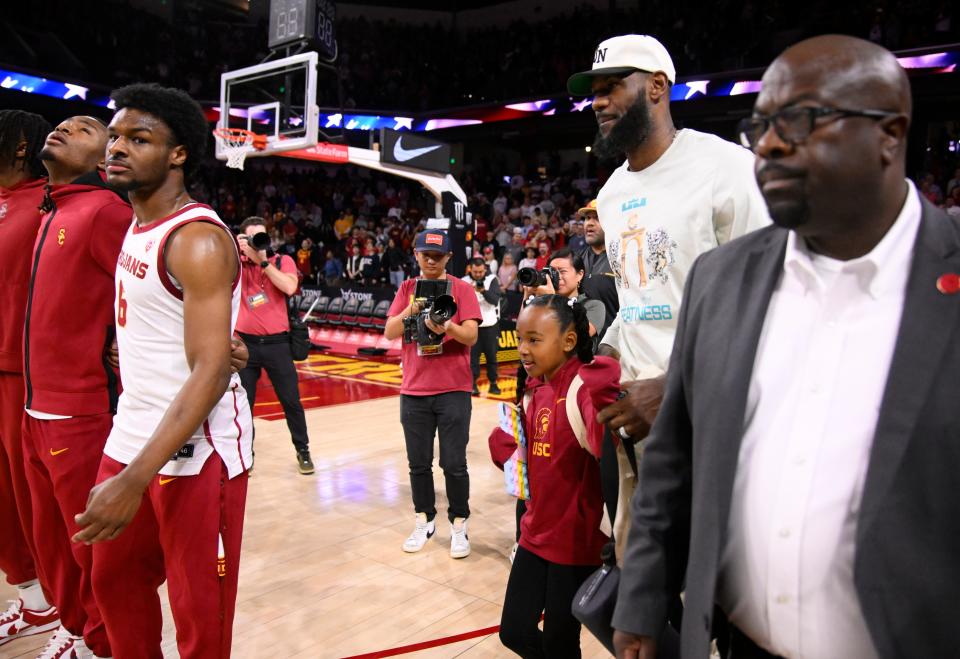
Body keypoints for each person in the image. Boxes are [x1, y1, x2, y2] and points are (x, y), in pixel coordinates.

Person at [612, 35, 960, 659]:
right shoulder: (719, 278)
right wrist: (641, 599)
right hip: (744, 640)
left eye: (798, 121)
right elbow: (672, 458)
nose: (768, 144)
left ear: (891, 133)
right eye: (761, 124)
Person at [566, 34, 769, 559]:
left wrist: (676, 389)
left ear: (658, 87)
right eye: (594, 92)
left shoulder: (727, 170)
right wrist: (609, 349)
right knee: (645, 597)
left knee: (716, 599)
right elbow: (642, 294)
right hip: (634, 427)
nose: (599, 102)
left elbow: (767, 306)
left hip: (711, 424)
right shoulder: (610, 195)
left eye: (613, 87)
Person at [75, 82, 253, 658]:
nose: (116, 148)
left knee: (200, 619)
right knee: (113, 582)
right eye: (116, 136)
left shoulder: (196, 238)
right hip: (134, 429)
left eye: (139, 138)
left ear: (178, 154)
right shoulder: (136, 219)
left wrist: (133, 480)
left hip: (198, 451)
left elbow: (207, 373)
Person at [20, 114, 132, 659]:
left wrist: (120, 348)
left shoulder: (106, 210)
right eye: (62, 124)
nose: (63, 129)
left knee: (93, 550)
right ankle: (77, 629)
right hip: (34, 408)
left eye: (83, 128)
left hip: (81, 410)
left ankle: (102, 643)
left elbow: (152, 294)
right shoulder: (55, 210)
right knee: (51, 545)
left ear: (106, 157)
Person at [494, 295, 620, 658]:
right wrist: (509, 444)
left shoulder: (580, 387)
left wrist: (603, 394)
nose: (523, 349)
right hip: (534, 533)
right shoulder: (536, 388)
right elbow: (528, 448)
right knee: (514, 632)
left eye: (534, 339)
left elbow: (603, 442)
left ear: (568, 341)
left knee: (560, 643)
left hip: (574, 544)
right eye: (519, 339)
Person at [383, 230, 481, 558]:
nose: (430, 260)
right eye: (425, 254)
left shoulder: (463, 289)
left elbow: (470, 336)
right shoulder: (407, 289)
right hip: (413, 390)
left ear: (448, 258)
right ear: (415, 255)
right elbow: (389, 331)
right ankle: (424, 519)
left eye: (437, 256)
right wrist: (412, 310)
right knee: (418, 464)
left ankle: (459, 523)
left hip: (453, 389)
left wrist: (447, 327)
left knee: (454, 463)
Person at [0, 110, 59, 646]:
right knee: (2, 504)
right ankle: (33, 603)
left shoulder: (49, 203)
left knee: (36, 502)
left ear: (20, 146)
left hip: (26, 374)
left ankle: (73, 612)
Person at [236, 216, 314, 475]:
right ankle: (246, 452)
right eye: (252, 237)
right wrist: (232, 248)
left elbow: (290, 286)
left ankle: (303, 450)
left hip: (278, 344)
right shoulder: (236, 262)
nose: (259, 242)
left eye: (262, 236)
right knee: (243, 404)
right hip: (245, 344)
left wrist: (263, 262)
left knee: (291, 401)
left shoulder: (282, 260)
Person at [522, 247, 606, 339]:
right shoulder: (541, 302)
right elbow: (522, 331)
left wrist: (551, 299)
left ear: (580, 275)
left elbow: (573, 337)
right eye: (553, 272)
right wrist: (527, 296)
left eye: (562, 271)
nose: (558, 277)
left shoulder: (594, 306)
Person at [578, 199, 619, 341]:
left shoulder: (622, 258)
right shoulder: (575, 260)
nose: (589, 223)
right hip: (581, 351)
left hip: (613, 350)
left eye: (597, 218)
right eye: (587, 218)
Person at [463, 257, 503, 396]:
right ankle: (473, 385)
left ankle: (493, 384)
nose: (478, 274)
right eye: (475, 272)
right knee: (473, 358)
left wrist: (483, 291)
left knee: (492, 357)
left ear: (485, 269)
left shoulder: (492, 279)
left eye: (480, 272)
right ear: (470, 269)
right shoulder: (464, 281)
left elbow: (495, 300)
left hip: (490, 324)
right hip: (472, 325)